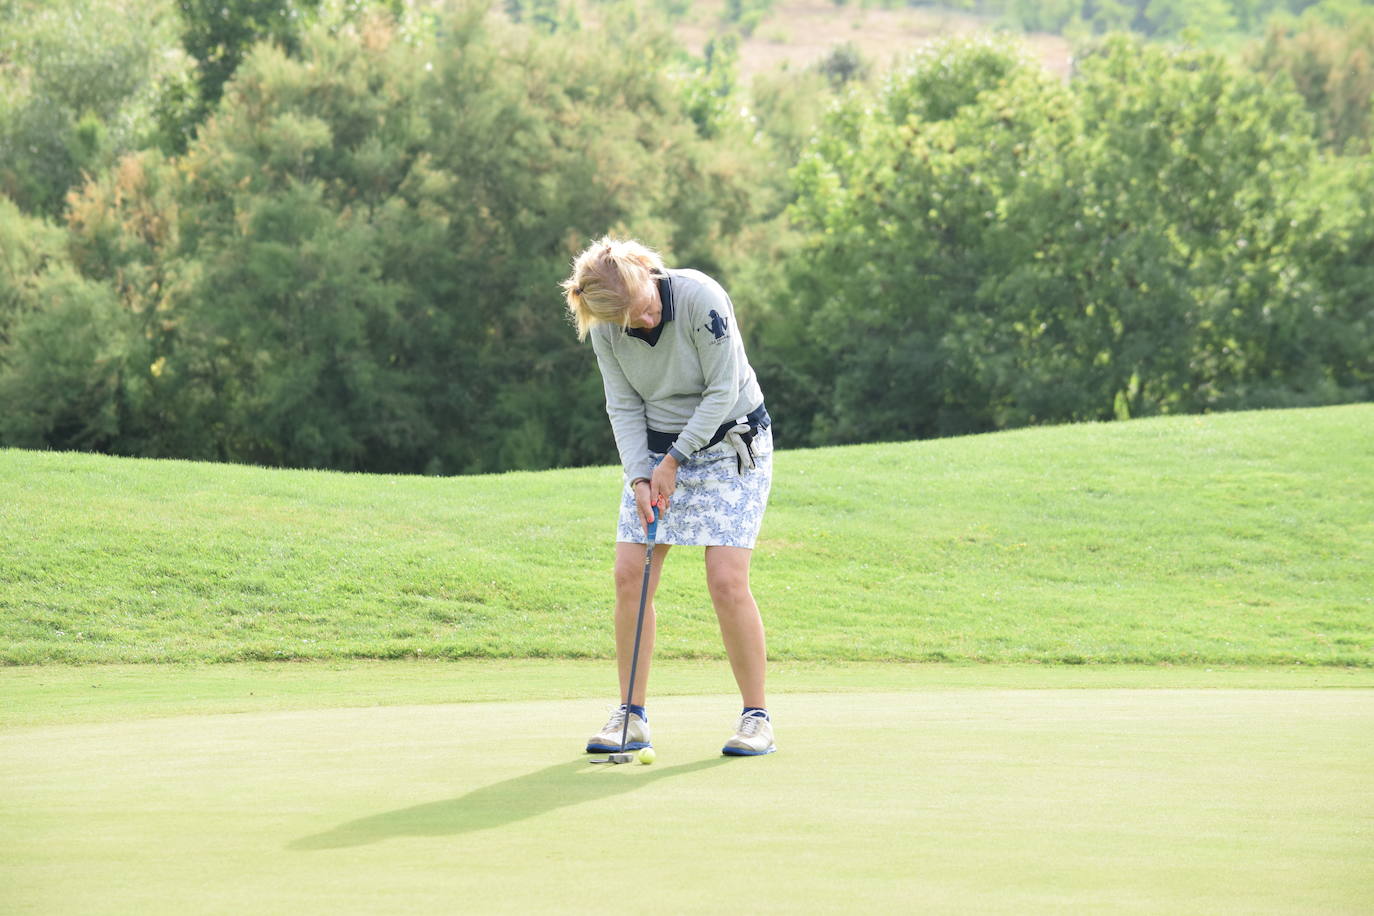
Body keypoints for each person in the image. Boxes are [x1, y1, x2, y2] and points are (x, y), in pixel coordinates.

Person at [562, 236, 776, 757]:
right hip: (657, 455)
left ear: (646, 271)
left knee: (726, 579)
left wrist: (673, 462)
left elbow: (721, 390)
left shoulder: (702, 297)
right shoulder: (609, 326)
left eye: (644, 304)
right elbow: (622, 405)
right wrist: (640, 476)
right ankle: (631, 717)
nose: (645, 318)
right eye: (630, 318)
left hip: (730, 442)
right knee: (629, 573)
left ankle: (756, 718)